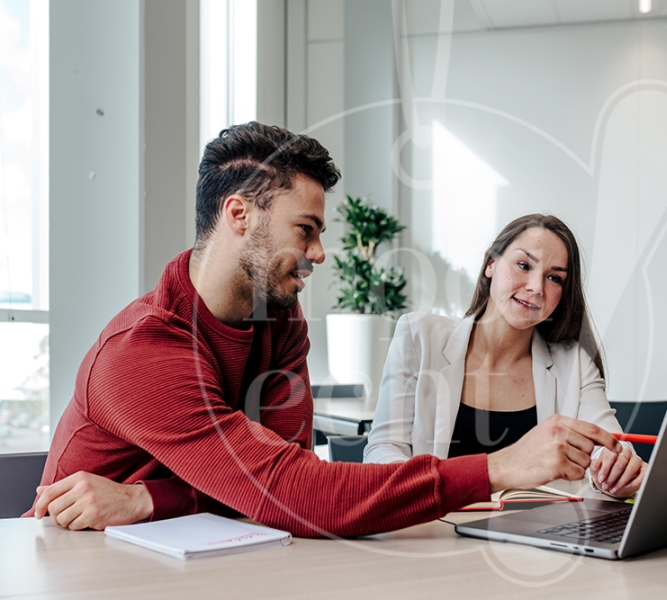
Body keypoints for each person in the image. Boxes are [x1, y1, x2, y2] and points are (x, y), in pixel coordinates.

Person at [27, 123, 624, 536]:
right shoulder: (145, 352)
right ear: (239, 214)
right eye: (306, 229)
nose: (320, 252)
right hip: (78, 562)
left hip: (195, 551)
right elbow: (295, 492)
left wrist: (149, 496)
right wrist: (499, 468)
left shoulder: (280, 318)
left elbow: (283, 479)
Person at [364, 215, 647, 498]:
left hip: (537, 536)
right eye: (524, 265)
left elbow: (610, 448)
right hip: (437, 532)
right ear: (490, 264)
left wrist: (616, 469)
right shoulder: (419, 336)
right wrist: (417, 490)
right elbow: (383, 449)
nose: (537, 287)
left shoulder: (575, 364)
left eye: (554, 277)